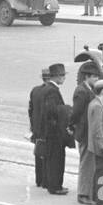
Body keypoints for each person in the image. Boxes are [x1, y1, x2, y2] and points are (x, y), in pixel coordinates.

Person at [33, 63, 71, 195]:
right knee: (56, 160)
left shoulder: (44, 89)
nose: (64, 78)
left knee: (49, 159)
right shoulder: (52, 91)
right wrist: (66, 109)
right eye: (62, 76)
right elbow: (52, 111)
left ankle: (50, 183)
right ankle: (55, 186)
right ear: (56, 77)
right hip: (53, 132)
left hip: (45, 130)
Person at [71, 60, 100, 203]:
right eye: (95, 77)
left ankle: (88, 192)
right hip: (84, 133)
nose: (97, 79)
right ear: (87, 76)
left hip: (89, 132)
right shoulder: (81, 91)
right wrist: (72, 126)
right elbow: (76, 113)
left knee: (90, 163)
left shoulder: (90, 89)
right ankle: (83, 194)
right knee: (86, 163)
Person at [28, 67, 53, 186]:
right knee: (48, 154)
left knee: (38, 153)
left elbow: (31, 110)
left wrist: (32, 126)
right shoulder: (50, 91)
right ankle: (45, 180)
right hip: (46, 128)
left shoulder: (35, 90)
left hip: (36, 126)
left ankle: (39, 180)